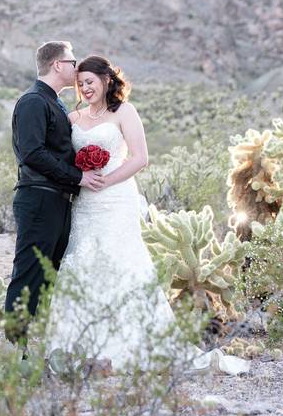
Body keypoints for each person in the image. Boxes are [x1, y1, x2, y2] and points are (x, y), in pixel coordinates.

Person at [44, 54, 250, 376]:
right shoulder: (74, 119)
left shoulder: (124, 112)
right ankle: (79, 347)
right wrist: (80, 175)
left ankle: (127, 345)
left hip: (115, 199)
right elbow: (67, 160)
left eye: (90, 82)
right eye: (80, 83)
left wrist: (107, 180)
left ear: (106, 80)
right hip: (86, 202)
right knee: (83, 262)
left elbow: (140, 158)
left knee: (121, 264)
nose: (85, 88)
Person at [5, 41, 107, 345]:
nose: (76, 69)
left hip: (58, 200)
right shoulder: (33, 102)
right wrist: (78, 176)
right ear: (58, 65)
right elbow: (32, 152)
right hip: (39, 198)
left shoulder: (55, 103)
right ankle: (15, 347)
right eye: (72, 62)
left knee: (49, 274)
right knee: (29, 273)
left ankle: (36, 342)